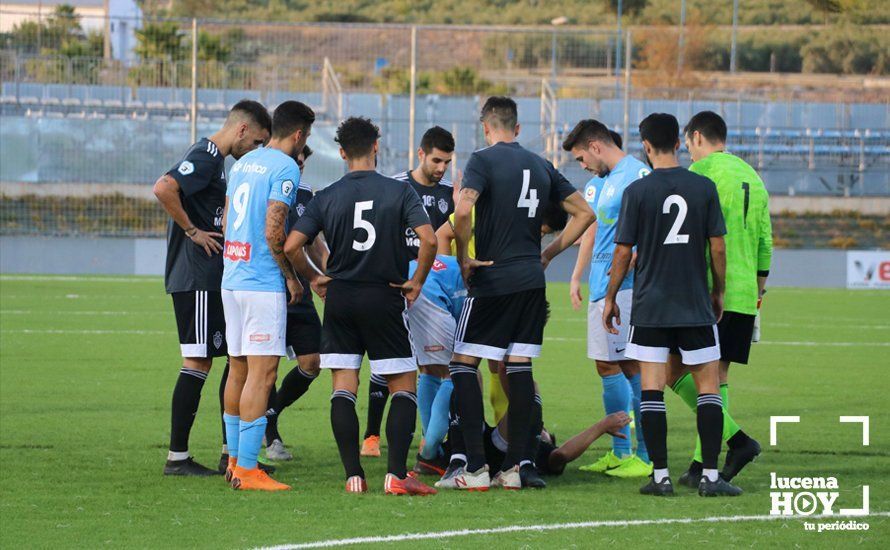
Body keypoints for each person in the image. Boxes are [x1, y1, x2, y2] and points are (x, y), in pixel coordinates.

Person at [285, 117, 438, 496]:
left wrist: (316, 276)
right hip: (384, 296)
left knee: (343, 388)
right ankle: (396, 475)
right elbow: (429, 241)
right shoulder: (398, 192)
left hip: (340, 298)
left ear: (340, 152)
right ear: (376, 148)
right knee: (403, 385)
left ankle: (353, 475)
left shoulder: (326, 195)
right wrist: (416, 281)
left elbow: (291, 246)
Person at [449, 96, 596, 491]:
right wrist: (547, 254)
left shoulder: (481, 160)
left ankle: (476, 468)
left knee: (463, 364)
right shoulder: (541, 164)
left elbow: (463, 212)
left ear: (485, 128)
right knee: (519, 368)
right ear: (517, 128)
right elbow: (585, 214)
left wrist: (465, 256)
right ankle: (515, 468)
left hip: (494, 278)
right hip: (532, 280)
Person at [603, 112, 741, 497]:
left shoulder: (637, 192)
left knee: (651, 389)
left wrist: (611, 296)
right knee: (709, 388)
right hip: (694, 301)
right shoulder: (703, 187)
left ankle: (660, 477)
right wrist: (718, 291)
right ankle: (712, 478)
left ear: (646, 147)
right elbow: (717, 245)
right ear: (679, 144)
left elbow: (622, 251)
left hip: (651, 303)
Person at [153, 99, 271, 476]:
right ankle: (178, 458)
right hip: (197, 277)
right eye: (256, 142)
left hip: (210, 276)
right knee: (199, 360)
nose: (255, 151)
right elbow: (164, 187)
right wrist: (192, 231)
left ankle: (229, 452)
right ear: (241, 130)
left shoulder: (216, 163)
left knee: (229, 357)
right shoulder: (205, 154)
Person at [671, 110, 770, 486]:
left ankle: (737, 440)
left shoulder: (701, 173)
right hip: (745, 294)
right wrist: (757, 293)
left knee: (670, 369)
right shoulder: (753, 177)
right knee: (717, 377)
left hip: (709, 292)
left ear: (696, 138)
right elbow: (765, 243)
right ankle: (701, 463)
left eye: (690, 146)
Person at [220, 100, 315, 491]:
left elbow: (227, 220)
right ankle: (246, 469)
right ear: (298, 135)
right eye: (305, 137)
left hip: (232, 276)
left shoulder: (243, 163)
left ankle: (233, 460)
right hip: (261, 284)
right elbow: (276, 229)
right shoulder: (285, 167)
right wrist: (291, 277)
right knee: (263, 374)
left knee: (238, 369)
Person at [563, 121, 652, 478]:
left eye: (581, 156)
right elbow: (590, 231)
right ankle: (620, 451)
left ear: (595, 146)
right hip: (603, 286)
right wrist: (575, 275)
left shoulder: (637, 175)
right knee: (606, 365)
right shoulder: (598, 184)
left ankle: (644, 456)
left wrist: (639, 252)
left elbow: (651, 222)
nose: (581, 164)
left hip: (627, 287)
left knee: (632, 367)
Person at [361, 126, 456, 458]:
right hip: (400, 287)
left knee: (431, 367)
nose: (442, 168)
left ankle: (429, 441)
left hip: (435, 291)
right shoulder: (396, 186)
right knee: (394, 364)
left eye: (447, 161)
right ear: (420, 154)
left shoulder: (450, 192)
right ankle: (377, 436)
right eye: (436, 160)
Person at [264, 145, 329, 461]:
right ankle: (264, 437)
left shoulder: (305, 193)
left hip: (300, 291)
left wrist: (330, 272)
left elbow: (313, 240)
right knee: (265, 368)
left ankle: (270, 413)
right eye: (296, 157)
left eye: (305, 158)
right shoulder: (267, 184)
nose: (301, 162)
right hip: (268, 289)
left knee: (312, 363)